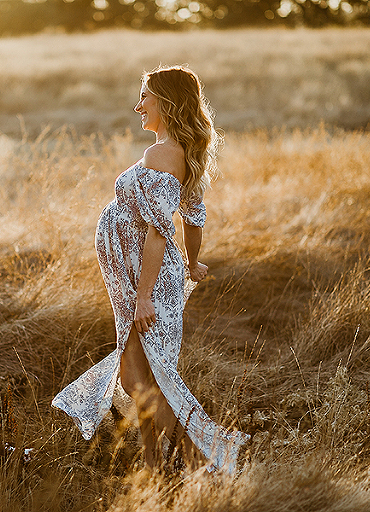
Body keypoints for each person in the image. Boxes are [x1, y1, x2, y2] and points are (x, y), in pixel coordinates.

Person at [52, 65, 249, 473]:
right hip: (144, 279)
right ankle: (154, 464)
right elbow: (194, 218)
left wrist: (143, 297)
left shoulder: (160, 154)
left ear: (168, 102)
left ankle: (202, 462)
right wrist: (193, 262)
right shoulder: (185, 151)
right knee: (143, 376)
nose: (138, 105)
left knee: (139, 379)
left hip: (146, 282)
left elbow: (159, 232)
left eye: (146, 96)